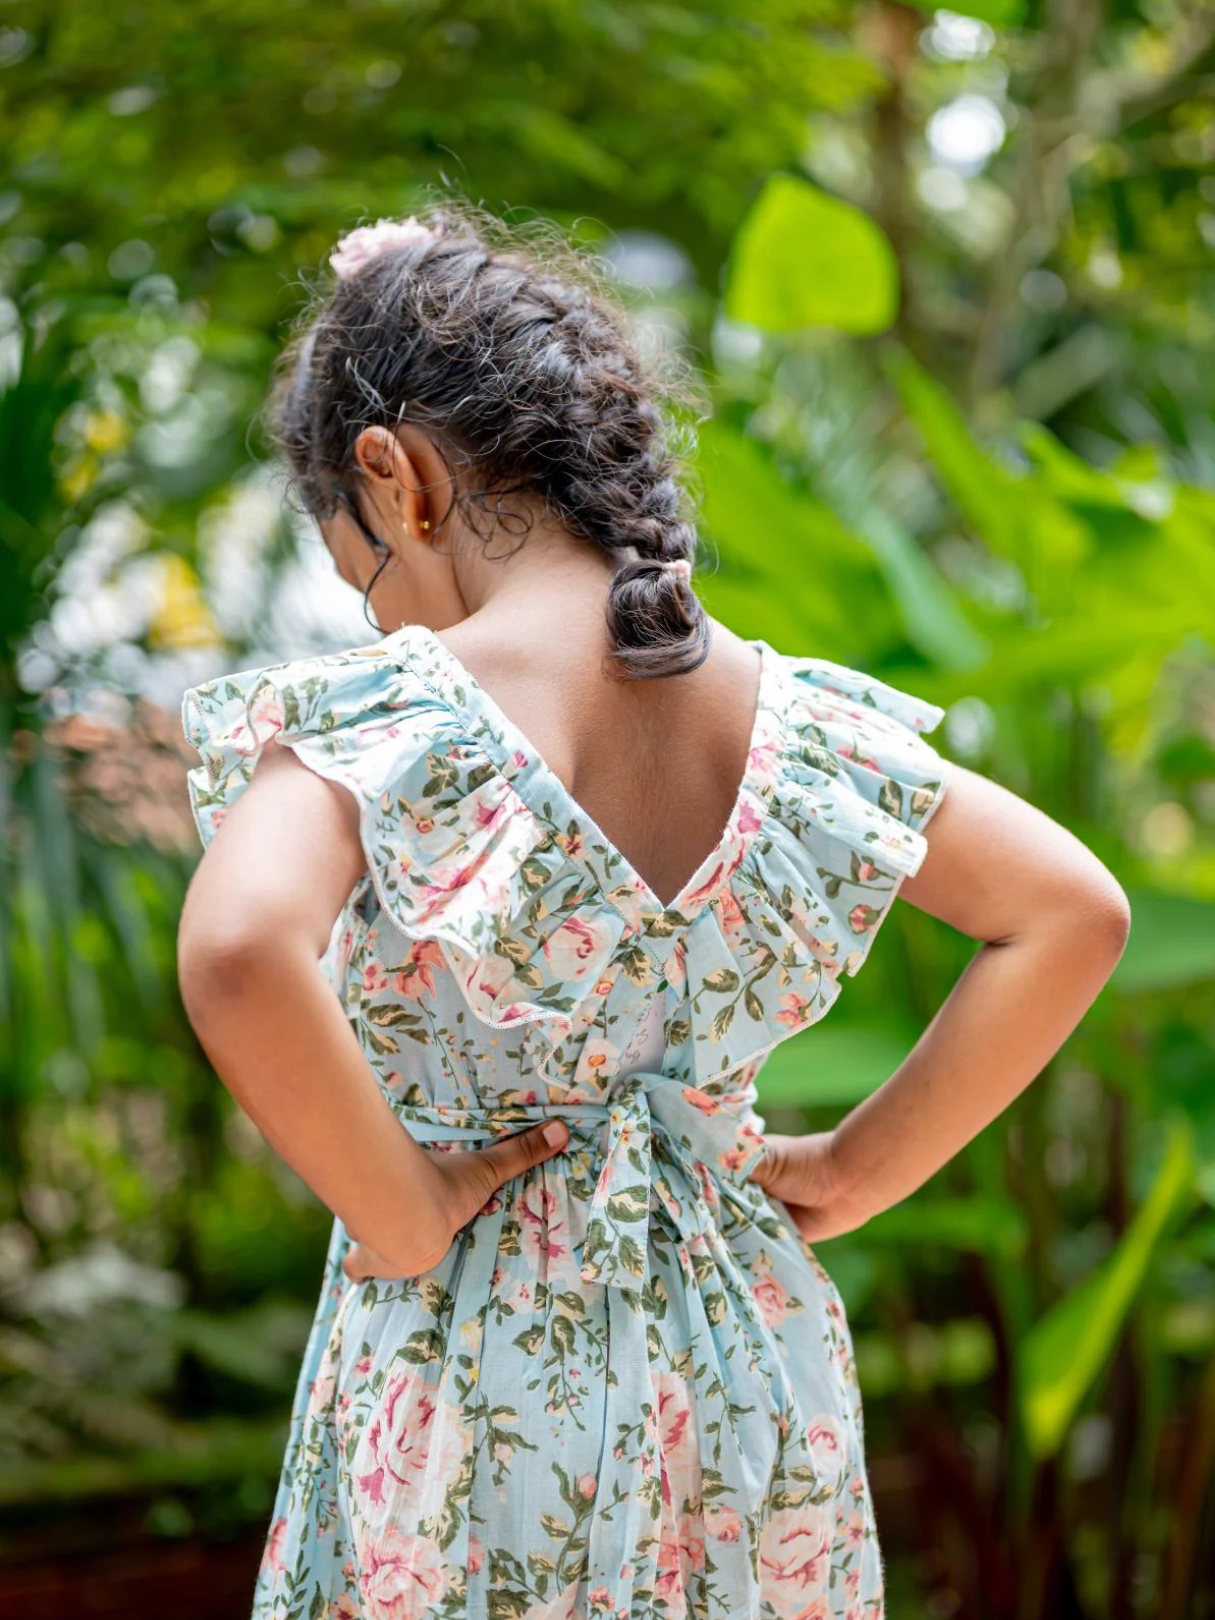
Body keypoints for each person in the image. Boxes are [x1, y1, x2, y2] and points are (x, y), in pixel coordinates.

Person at [176, 201, 1131, 1620]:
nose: (382, 617)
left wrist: (409, 1211)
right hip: (749, 1381)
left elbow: (239, 947)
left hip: (478, 1380)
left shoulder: (399, 715)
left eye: (362, 574)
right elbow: (1072, 911)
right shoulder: (795, 730)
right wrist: (858, 1171)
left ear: (396, 476)